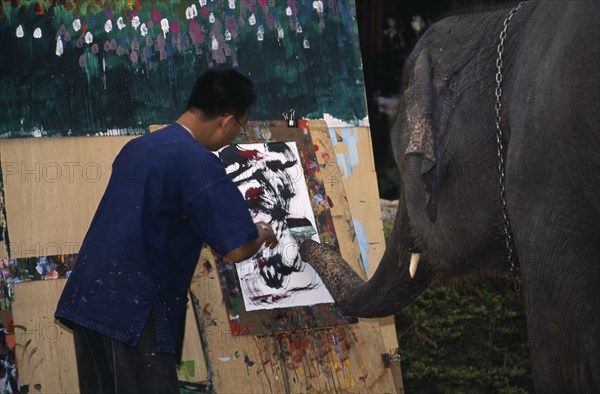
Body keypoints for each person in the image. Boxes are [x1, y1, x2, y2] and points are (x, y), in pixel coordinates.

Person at [55, 68, 277, 393]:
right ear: (227, 121)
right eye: (240, 127)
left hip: (88, 302)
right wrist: (263, 232)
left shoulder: (139, 147)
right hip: (133, 313)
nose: (235, 136)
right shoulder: (197, 161)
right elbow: (236, 248)